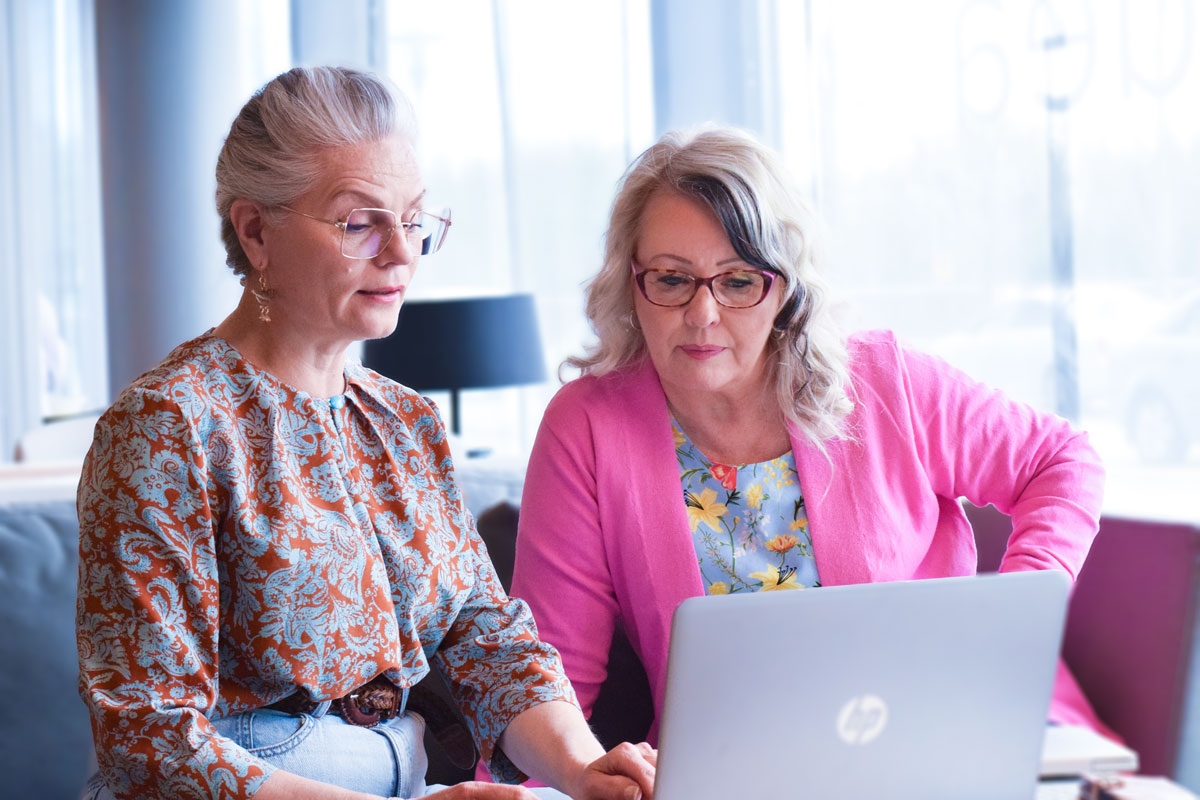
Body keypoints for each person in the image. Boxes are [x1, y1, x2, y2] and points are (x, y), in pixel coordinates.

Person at [75, 66, 655, 800]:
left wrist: (581, 765)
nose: (402, 252)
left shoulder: (404, 421)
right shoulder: (168, 425)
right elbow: (147, 738)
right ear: (255, 230)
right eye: (360, 222)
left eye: (413, 219)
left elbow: (489, 640)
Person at [509, 125, 1116, 748]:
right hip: (727, 773)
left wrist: (1015, 613)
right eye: (670, 279)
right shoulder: (586, 427)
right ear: (631, 283)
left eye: (739, 281)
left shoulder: (885, 381)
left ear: (785, 289)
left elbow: (1063, 460)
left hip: (946, 738)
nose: (702, 314)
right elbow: (548, 676)